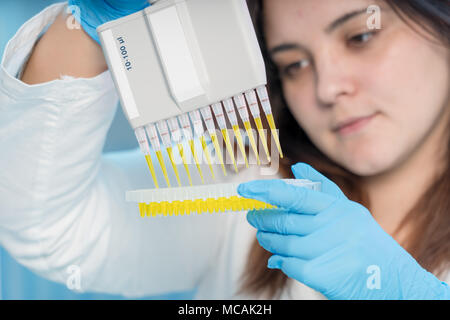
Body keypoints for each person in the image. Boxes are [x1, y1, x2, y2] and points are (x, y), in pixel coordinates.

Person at [0, 0, 448, 300]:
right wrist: (85, 27)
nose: (328, 87)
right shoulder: (250, 185)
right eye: (293, 63)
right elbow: (51, 226)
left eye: (360, 37)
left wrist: (407, 291)